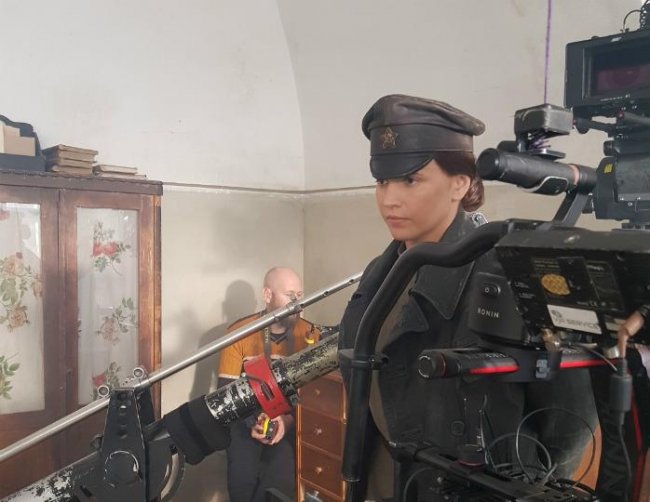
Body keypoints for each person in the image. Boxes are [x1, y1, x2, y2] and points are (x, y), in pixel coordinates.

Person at [338, 95, 596, 501]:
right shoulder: (380, 273)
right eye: (382, 182)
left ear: (460, 183)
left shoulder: (508, 274)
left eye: (410, 180)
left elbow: (569, 422)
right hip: (386, 476)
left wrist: (525, 487)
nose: (389, 199)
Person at [218, 267, 320, 502]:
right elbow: (225, 395)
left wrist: (287, 421)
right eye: (290, 295)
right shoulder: (238, 333)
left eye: (300, 295)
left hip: (291, 421)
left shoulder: (311, 334)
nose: (297, 302)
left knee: (280, 481)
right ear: (267, 295)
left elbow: (315, 397)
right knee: (241, 482)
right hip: (246, 423)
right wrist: (253, 423)